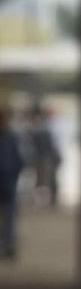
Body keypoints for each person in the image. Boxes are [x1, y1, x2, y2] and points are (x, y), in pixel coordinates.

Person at [0, 108, 24, 258]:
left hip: (8, 180)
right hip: (8, 180)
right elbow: (20, 160)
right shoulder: (11, 137)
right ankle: (8, 245)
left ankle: (8, 245)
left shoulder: (11, 137)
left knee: (9, 215)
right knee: (9, 215)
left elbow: (20, 160)